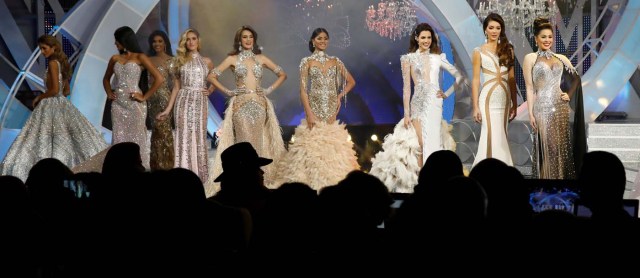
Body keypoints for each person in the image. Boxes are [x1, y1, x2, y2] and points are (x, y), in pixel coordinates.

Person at [369, 23, 462, 193]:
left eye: (429, 37)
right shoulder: (408, 58)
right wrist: (406, 113)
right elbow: (406, 88)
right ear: (417, 38)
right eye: (423, 37)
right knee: (419, 142)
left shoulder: (438, 57)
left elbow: (459, 77)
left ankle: (435, 181)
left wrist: (447, 93)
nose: (426, 41)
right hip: (418, 102)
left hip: (435, 103)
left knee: (434, 141)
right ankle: (422, 181)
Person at [0, 35, 108, 181]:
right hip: (61, 104)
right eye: (40, 49)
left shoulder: (52, 63)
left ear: (54, 48)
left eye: (44, 48)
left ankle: (45, 173)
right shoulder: (60, 64)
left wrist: (40, 97)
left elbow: (55, 90)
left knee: (44, 137)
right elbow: (66, 91)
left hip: (51, 104)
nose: (42, 52)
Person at [272, 28, 358, 191]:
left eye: (326, 38)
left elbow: (351, 81)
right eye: (319, 38)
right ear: (313, 41)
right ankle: (311, 185)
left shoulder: (336, 61)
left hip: (331, 108)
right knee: (312, 145)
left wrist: (340, 96)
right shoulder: (306, 62)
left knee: (332, 144)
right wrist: (309, 113)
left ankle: (334, 184)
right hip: (315, 107)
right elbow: (303, 90)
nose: (323, 41)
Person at [208, 25, 286, 192]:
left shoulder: (261, 58)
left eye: (250, 36)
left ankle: (256, 181)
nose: (248, 40)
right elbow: (211, 76)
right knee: (243, 143)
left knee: (257, 142)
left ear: (254, 39)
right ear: (239, 40)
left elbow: (282, 74)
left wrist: (268, 90)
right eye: (244, 37)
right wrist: (229, 91)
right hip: (240, 105)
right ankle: (241, 181)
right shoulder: (232, 59)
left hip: (259, 105)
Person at [523, 18, 586, 179]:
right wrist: (530, 113)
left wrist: (569, 94)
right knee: (549, 148)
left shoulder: (561, 58)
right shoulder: (530, 58)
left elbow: (577, 79)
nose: (547, 40)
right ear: (536, 38)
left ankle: (558, 185)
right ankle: (544, 185)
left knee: (560, 149)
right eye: (543, 37)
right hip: (542, 108)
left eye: (550, 37)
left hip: (560, 108)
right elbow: (530, 88)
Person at [156, 28, 213, 185]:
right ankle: (182, 178)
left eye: (193, 38)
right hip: (183, 100)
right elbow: (176, 87)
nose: (191, 42)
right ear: (184, 42)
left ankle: (200, 178)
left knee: (198, 137)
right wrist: (167, 110)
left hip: (200, 102)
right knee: (184, 137)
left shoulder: (207, 61)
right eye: (188, 39)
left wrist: (209, 90)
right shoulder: (179, 61)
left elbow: (214, 79)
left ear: (198, 40)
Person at [103, 26, 164, 169]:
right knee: (119, 138)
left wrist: (144, 97)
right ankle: (118, 169)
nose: (115, 43)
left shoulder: (140, 57)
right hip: (118, 105)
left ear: (125, 40)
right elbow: (106, 79)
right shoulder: (115, 58)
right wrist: (108, 92)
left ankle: (138, 170)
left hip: (135, 104)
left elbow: (159, 79)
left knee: (137, 138)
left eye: (117, 40)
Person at [471, 13, 517, 167]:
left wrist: (515, 103)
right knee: (489, 134)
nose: (494, 31)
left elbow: (512, 78)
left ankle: (505, 170)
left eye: (498, 28)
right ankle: (485, 172)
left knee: (501, 135)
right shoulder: (478, 51)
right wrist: (476, 106)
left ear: (501, 30)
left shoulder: (508, 49)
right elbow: (476, 80)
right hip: (487, 99)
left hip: (504, 97)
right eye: (491, 27)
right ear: (485, 29)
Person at [146, 30, 175, 170]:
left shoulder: (172, 60)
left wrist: (171, 103)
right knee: (156, 132)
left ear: (165, 43)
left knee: (165, 131)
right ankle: (156, 165)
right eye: (154, 41)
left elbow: (175, 84)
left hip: (165, 98)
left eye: (160, 41)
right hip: (151, 99)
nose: (156, 44)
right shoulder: (147, 59)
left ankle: (168, 165)